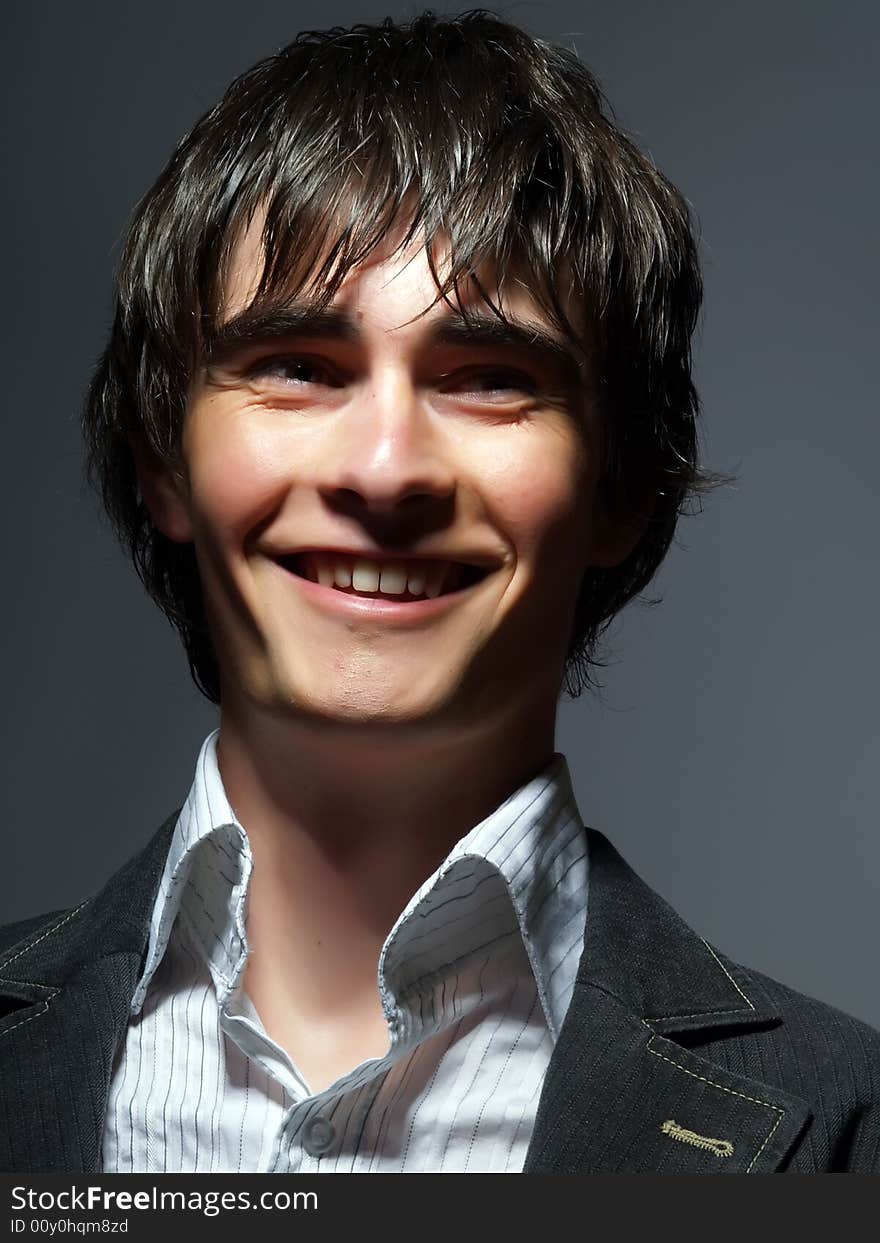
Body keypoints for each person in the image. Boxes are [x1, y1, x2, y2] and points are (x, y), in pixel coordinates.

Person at [1, 10, 877, 1176]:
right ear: (163, 463)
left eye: (490, 380)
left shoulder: (846, 1129)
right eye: (299, 367)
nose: (385, 468)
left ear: (619, 489)